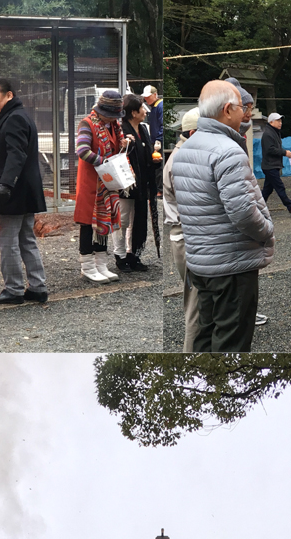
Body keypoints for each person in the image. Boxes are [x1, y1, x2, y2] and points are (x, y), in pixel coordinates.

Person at [169, 79, 274, 351]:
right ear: (228, 109)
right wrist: (267, 230)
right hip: (232, 263)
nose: (246, 114)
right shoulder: (228, 151)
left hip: (201, 261)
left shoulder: (184, 151)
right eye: (242, 108)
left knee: (206, 333)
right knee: (232, 342)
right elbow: (243, 213)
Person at [0, 77, 48, 306]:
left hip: (14, 192)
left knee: (9, 240)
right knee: (26, 238)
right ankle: (37, 287)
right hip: (25, 191)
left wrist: (5, 184)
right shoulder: (21, 115)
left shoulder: (14, 118)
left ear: (9, 95)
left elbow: (17, 154)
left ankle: (14, 289)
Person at [73, 87, 126, 284]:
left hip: (106, 182)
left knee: (105, 223)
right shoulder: (87, 123)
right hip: (90, 183)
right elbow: (82, 150)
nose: (113, 119)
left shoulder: (113, 126)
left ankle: (101, 264)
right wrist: (104, 162)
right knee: (88, 224)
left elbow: (114, 146)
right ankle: (87, 267)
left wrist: (123, 144)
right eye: (111, 115)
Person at [162, 106, 200, 352]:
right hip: (188, 236)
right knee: (196, 304)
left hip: (184, 234)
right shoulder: (184, 160)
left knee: (198, 300)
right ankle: (191, 351)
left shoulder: (182, 154)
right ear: (195, 132)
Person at [115, 92, 155, 274]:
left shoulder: (143, 129)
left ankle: (134, 253)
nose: (145, 112)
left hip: (142, 181)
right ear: (133, 112)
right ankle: (120, 254)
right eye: (141, 109)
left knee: (138, 218)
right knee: (123, 218)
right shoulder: (121, 130)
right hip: (126, 181)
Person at [260, 112, 291, 214]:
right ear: (271, 122)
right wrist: (284, 152)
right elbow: (270, 149)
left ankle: (257, 208)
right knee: (279, 186)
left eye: (280, 120)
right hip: (270, 165)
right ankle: (290, 205)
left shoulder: (273, 132)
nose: (280, 123)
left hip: (271, 165)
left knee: (267, 190)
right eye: (278, 120)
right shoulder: (268, 134)